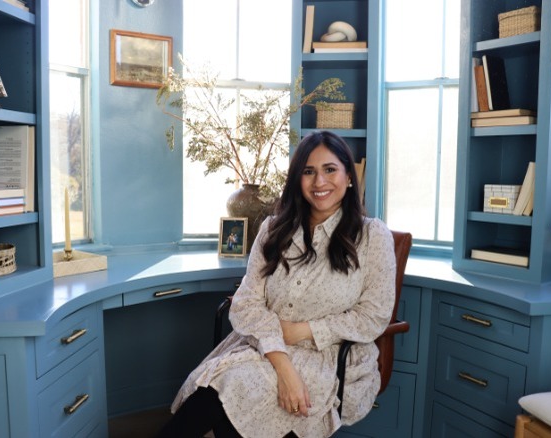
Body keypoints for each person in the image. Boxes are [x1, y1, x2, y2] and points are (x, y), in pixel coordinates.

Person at [157, 131, 397, 438]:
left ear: (349, 176)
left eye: (330, 169)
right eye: (308, 172)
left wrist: (302, 331)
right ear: (297, 179)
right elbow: (246, 302)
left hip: (328, 359)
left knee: (229, 394)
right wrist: (284, 366)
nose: (319, 182)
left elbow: (373, 316)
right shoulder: (273, 229)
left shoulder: (373, 236)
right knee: (222, 389)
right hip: (265, 347)